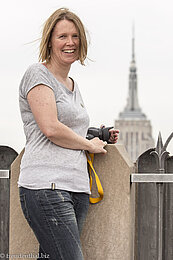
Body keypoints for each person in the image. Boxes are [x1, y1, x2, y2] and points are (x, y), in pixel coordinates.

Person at [18, 8, 119, 260]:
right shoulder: (37, 74)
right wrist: (89, 144)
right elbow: (51, 128)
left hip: (76, 188)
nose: (70, 43)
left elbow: (70, 126)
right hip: (47, 187)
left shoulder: (73, 86)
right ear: (50, 41)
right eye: (62, 36)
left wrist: (99, 134)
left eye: (75, 36)